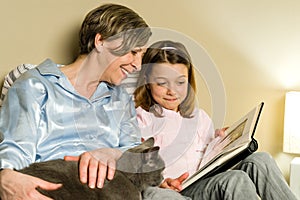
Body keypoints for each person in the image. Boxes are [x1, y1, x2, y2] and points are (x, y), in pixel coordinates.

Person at [0, 3, 151, 199]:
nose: (138, 65)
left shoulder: (120, 99)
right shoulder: (34, 85)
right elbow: (16, 150)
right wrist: (7, 175)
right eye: (133, 52)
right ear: (101, 41)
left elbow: (137, 155)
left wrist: (113, 154)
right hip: (58, 188)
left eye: (142, 55)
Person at [134, 40, 298, 200]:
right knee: (233, 179)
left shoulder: (200, 118)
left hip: (204, 184)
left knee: (260, 160)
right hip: (172, 192)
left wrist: (223, 142)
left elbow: (208, 161)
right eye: (162, 83)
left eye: (180, 82)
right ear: (147, 82)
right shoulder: (141, 119)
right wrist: (162, 182)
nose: (172, 91)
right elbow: (135, 166)